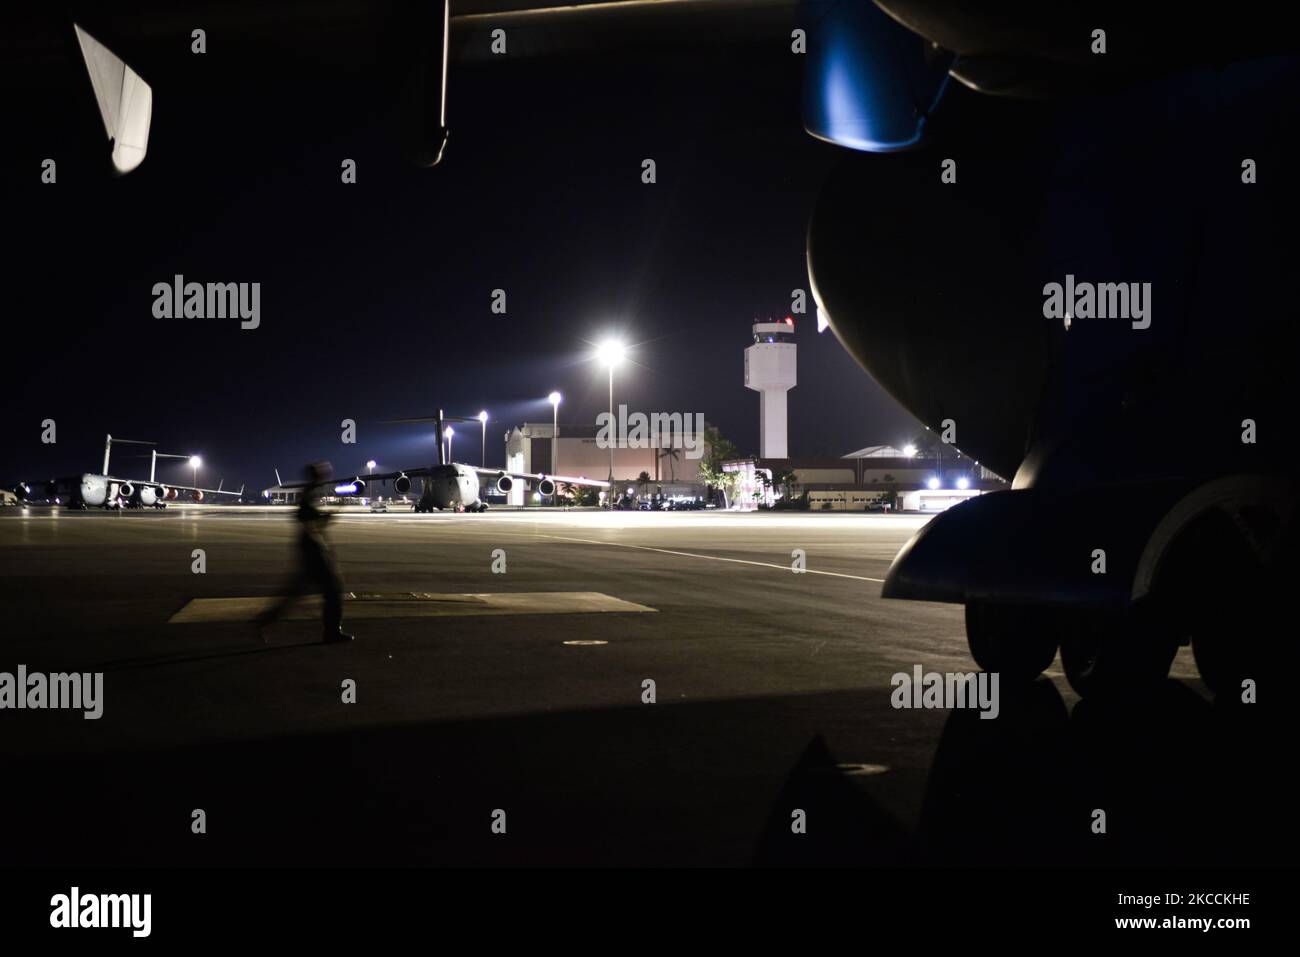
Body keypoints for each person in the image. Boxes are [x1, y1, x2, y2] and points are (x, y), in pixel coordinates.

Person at [258, 462, 353, 643]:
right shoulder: (308, 495)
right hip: (314, 550)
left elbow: (312, 521)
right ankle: (331, 632)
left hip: (310, 549)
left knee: (295, 593)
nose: (327, 474)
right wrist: (334, 513)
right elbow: (312, 524)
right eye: (324, 472)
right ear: (316, 475)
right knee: (333, 590)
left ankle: (262, 621)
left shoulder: (309, 493)